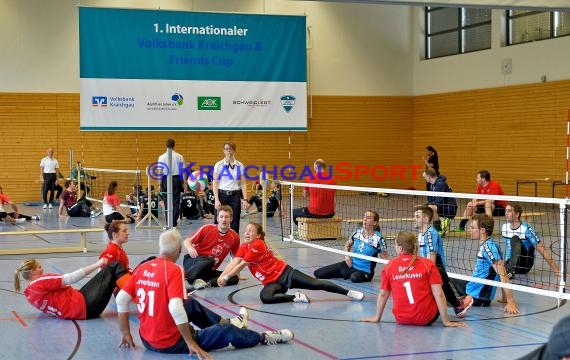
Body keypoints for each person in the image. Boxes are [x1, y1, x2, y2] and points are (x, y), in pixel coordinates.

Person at [115, 229, 294, 358]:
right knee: (226, 332)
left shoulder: (143, 267)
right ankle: (263, 338)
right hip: (171, 343)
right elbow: (175, 308)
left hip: (146, 339)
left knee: (189, 304)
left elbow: (122, 299)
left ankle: (231, 321)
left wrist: (125, 332)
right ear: (178, 251)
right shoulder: (174, 270)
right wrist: (190, 342)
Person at [217, 222, 364, 303]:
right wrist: (222, 276)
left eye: (250, 231)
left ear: (259, 235)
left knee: (316, 284)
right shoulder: (244, 246)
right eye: (246, 231)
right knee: (265, 297)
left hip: (285, 273)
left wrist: (227, 278)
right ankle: (296, 297)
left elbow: (242, 265)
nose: (247, 233)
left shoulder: (258, 244)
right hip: (271, 282)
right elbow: (235, 261)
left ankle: (349, 293)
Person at [361, 231, 464, 327]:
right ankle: (456, 304)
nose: (395, 247)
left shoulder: (388, 267)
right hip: (426, 319)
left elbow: (383, 294)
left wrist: (377, 318)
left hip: (401, 319)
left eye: (395, 245)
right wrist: (446, 322)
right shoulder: (428, 264)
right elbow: (439, 294)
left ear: (400, 248)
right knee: (438, 279)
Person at [14, 257, 129, 319]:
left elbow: (51, 302)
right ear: (33, 271)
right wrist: (97, 264)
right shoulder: (40, 282)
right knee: (114, 266)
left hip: (78, 305)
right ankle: (137, 293)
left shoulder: (29, 294)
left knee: (111, 275)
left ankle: (127, 292)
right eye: (39, 267)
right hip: (84, 306)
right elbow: (70, 278)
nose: (42, 269)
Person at [450, 214, 520, 314]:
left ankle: (466, 300)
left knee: (442, 284)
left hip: (479, 296)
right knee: (446, 277)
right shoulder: (490, 244)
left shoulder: (489, 248)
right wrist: (504, 298)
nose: (469, 230)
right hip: (474, 288)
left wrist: (511, 302)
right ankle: (463, 298)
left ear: (482, 230)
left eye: (472, 227)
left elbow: (503, 274)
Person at [414, 206, 472, 318]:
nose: (414, 219)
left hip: (435, 267)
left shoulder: (431, 234)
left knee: (440, 286)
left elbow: (432, 258)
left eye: (417, 216)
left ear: (426, 219)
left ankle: (458, 304)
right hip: (427, 266)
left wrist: (425, 273)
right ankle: (456, 303)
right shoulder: (422, 234)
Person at [314, 210, 388, 283]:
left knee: (354, 278)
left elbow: (385, 259)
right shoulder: (357, 233)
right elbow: (347, 244)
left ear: (374, 222)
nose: (365, 219)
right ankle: (346, 273)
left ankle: (346, 274)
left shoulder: (379, 239)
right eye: (364, 217)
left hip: (365, 271)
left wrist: (390, 277)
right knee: (318, 273)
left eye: (368, 218)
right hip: (350, 265)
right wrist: (347, 256)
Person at [183, 206, 240, 290]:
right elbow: (187, 241)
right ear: (217, 218)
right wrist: (190, 248)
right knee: (211, 260)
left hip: (208, 270)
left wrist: (236, 273)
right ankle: (187, 277)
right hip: (193, 263)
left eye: (227, 217)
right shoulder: (207, 229)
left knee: (233, 278)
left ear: (231, 219)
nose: (224, 220)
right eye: (221, 217)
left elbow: (236, 258)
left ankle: (205, 283)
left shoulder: (234, 237)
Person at [501, 204, 560, 279]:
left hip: (525, 263)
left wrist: (557, 271)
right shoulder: (504, 227)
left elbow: (542, 250)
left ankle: (509, 269)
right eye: (505, 211)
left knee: (515, 239)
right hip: (511, 262)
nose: (506, 213)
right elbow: (509, 249)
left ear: (517, 214)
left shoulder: (526, 229)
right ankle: (508, 269)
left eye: (509, 211)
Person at [213, 142, 249, 233]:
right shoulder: (219, 165)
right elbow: (215, 184)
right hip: (222, 194)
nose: (228, 151)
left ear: (234, 151)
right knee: (219, 220)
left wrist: (245, 199)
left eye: (230, 149)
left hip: (235, 195)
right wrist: (217, 200)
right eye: (226, 149)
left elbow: (243, 183)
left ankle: (234, 243)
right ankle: (217, 241)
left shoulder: (240, 165)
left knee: (235, 221)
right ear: (223, 151)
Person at [292, 158, 336, 225]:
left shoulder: (310, 178)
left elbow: (304, 195)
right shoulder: (333, 179)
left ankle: (301, 231)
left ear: (316, 167)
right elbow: (333, 196)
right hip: (330, 214)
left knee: (294, 212)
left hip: (314, 213)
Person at [158, 138, 187, 228]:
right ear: (174, 145)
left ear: (166, 145)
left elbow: (159, 171)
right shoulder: (179, 156)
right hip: (176, 179)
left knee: (166, 202)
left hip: (165, 179)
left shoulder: (162, 157)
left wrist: (159, 184)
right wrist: (184, 183)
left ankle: (168, 222)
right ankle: (173, 223)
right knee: (176, 201)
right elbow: (183, 171)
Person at [424, 168, 457, 236]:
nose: (425, 178)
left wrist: (427, 205)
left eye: (425, 177)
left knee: (431, 207)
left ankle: (439, 229)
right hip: (443, 206)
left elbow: (438, 201)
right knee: (428, 207)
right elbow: (431, 199)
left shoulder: (440, 184)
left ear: (429, 176)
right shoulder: (432, 184)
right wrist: (425, 205)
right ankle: (442, 224)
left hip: (450, 208)